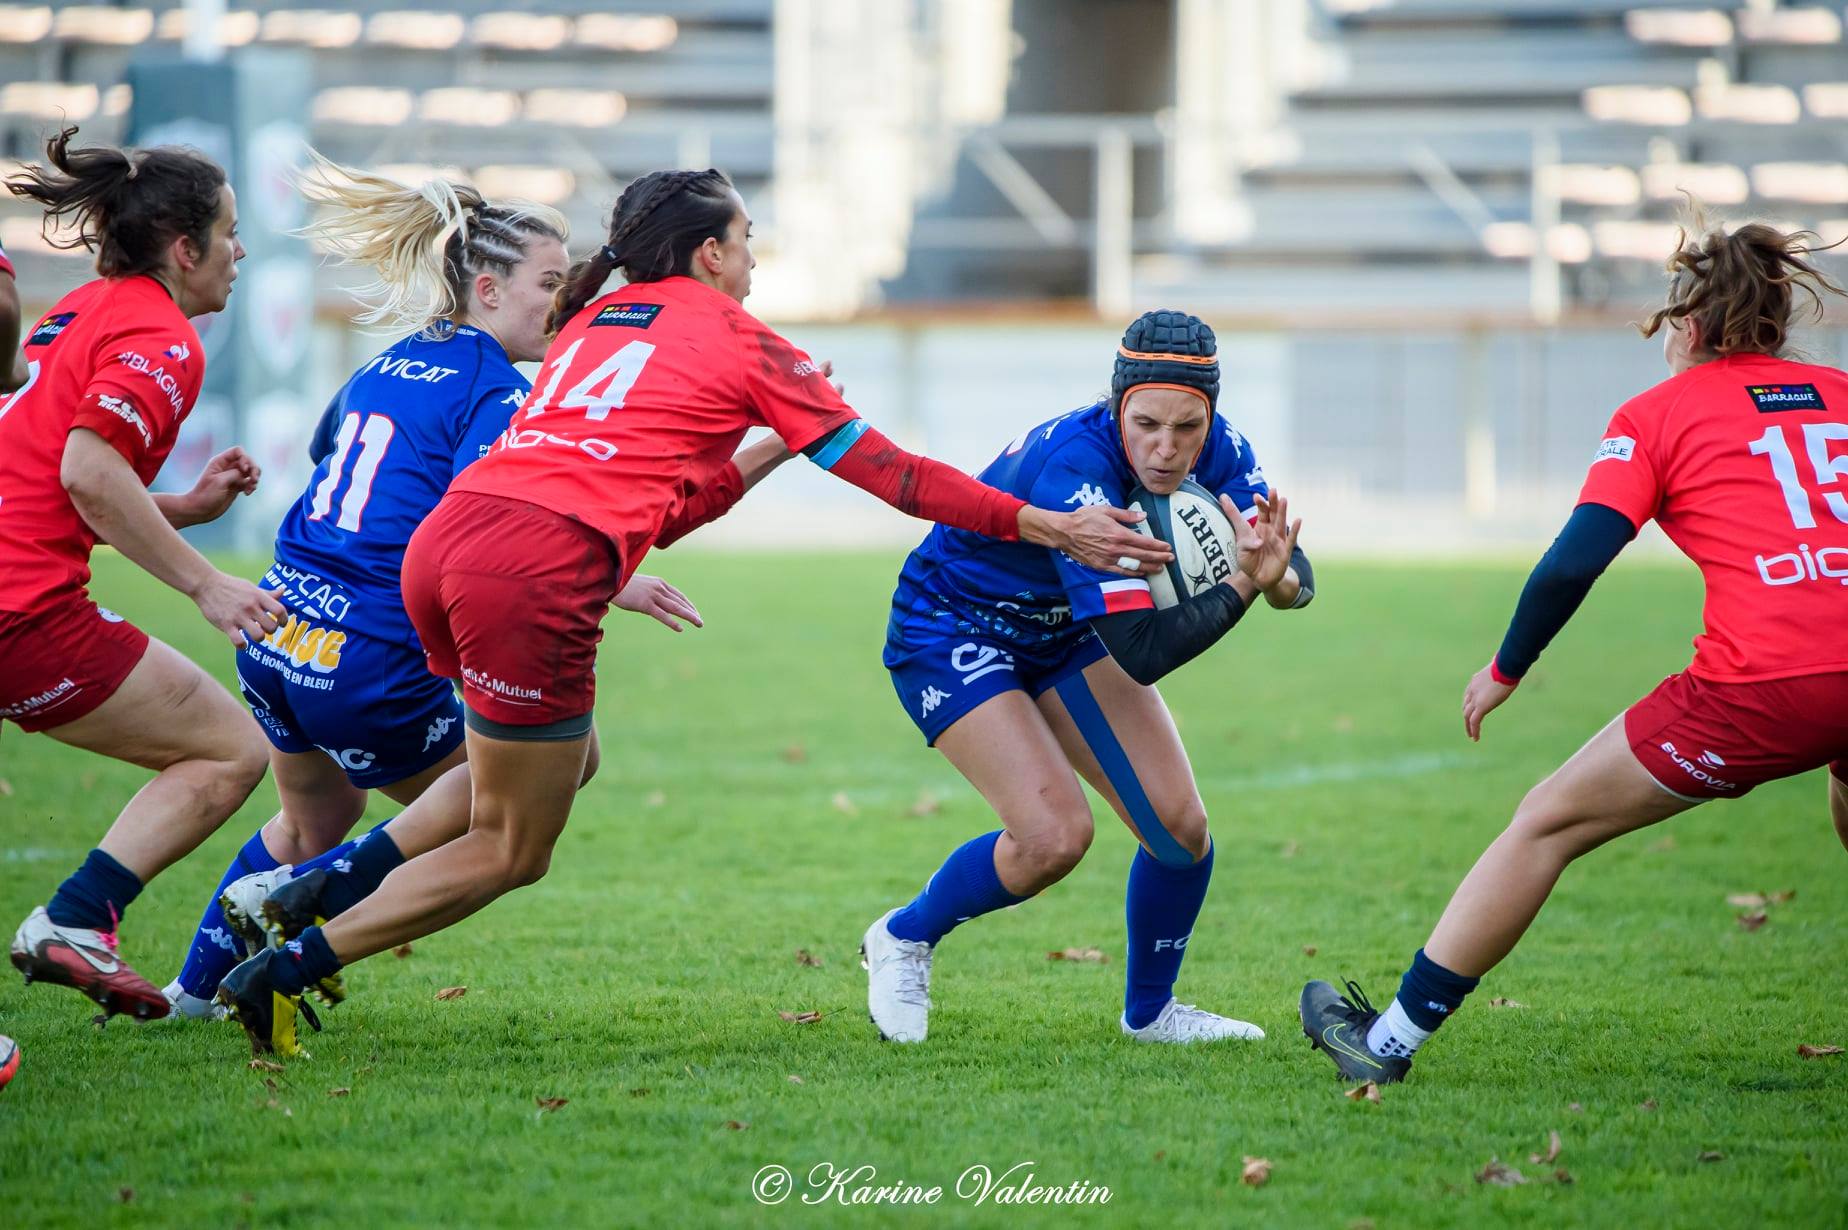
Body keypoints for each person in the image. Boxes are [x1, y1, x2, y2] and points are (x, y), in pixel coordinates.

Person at [213, 165, 1173, 1056]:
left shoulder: (593, 322)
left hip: (447, 549)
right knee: (511, 847)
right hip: (531, 573)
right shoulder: (743, 338)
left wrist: (768, 450)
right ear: (710, 253)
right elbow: (897, 476)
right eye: (748, 240)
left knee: (544, 771)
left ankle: (318, 886)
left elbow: (662, 514)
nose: (755, 261)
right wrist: (1043, 524)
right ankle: (287, 969)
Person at [173, 156, 797, 1017]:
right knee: (548, 781)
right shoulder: (499, 390)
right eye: (550, 280)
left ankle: (190, 994)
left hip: (279, 630)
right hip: (368, 656)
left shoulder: (393, 361)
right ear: (488, 288)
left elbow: (337, 462)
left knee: (308, 818)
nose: (567, 294)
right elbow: (494, 514)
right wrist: (618, 579)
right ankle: (312, 899)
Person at [1301, 212, 1848, 1084]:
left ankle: (1384, 1045)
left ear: (1691, 326)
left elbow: (1573, 562)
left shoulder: (1657, 412)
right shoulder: (1844, 392)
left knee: (1545, 822)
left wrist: (1505, 669)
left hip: (1762, 686)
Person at [862, 310, 1314, 1044]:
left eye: (1185, 428)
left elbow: (1289, 564)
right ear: (1117, 405)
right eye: (1146, 425)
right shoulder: (1078, 469)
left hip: (1066, 630)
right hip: (954, 626)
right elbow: (1139, 650)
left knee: (1179, 829)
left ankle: (1150, 1015)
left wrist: (1279, 581)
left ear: (1211, 417)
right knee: (1053, 837)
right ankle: (904, 937)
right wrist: (1240, 587)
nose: (1166, 451)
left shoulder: (1225, 449)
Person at [1, 126, 283, 1022]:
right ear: (184, 247)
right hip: (22, 611)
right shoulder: (162, 338)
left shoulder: (77, 310)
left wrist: (182, 509)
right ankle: (77, 921)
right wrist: (207, 582)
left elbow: (55, 479)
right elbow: (88, 477)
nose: (241, 254)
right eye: (231, 233)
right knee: (229, 750)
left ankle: (76, 923)